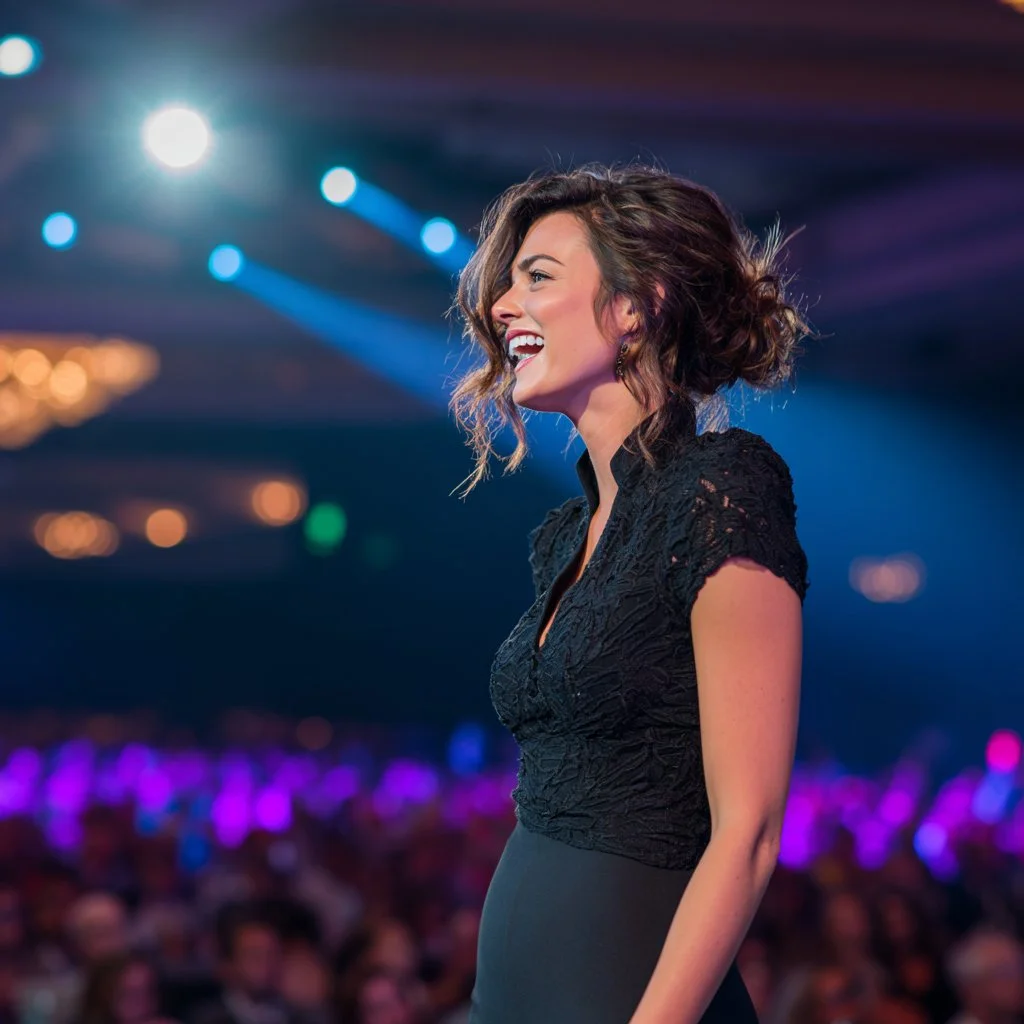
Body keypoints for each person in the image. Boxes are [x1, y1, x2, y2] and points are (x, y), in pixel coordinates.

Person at [449, 163, 813, 1023]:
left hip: (632, 994)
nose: (503, 307)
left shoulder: (721, 492)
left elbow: (750, 832)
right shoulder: (562, 538)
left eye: (537, 277)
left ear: (635, 306)